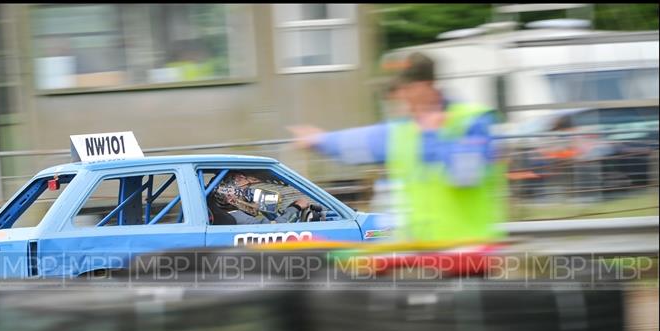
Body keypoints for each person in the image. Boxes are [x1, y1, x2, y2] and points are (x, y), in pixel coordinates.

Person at [288, 51, 507, 243]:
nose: (399, 96)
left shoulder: (470, 122)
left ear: (426, 86)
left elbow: (465, 177)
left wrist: (431, 135)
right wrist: (321, 140)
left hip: (468, 252)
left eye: (405, 88)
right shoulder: (404, 129)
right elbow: (361, 142)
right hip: (421, 252)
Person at [208, 172, 311, 225]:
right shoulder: (237, 217)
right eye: (245, 190)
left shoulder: (224, 213)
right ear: (229, 196)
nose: (250, 195)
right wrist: (296, 207)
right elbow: (275, 228)